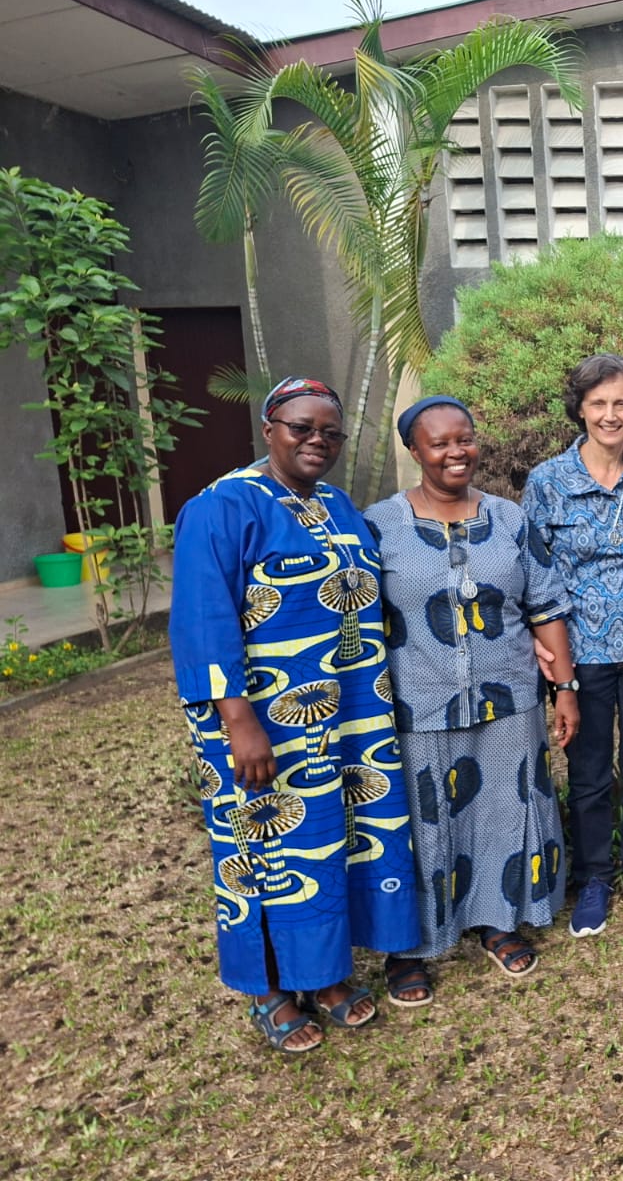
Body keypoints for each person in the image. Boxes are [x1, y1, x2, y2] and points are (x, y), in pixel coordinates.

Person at [170, 376, 419, 1053]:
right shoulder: (222, 506)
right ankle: (270, 989)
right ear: (269, 429)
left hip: (347, 711)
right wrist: (238, 721)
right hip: (261, 721)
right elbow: (203, 620)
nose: (317, 441)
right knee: (266, 847)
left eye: (330, 433)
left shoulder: (336, 505)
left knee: (331, 841)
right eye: (302, 428)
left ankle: (327, 975)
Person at [365, 396, 579, 1004]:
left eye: (465, 439)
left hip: (508, 697)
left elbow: (545, 605)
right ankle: (411, 948)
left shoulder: (509, 520)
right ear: (415, 450)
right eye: (440, 443)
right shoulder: (378, 526)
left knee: (505, 812)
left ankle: (497, 921)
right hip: (420, 701)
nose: (456, 452)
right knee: (424, 821)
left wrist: (565, 688)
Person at [522, 354, 623, 938]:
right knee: (587, 771)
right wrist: (541, 642)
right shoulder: (548, 482)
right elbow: (532, 569)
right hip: (579, 652)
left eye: (621, 403)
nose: (610, 415)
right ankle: (593, 878)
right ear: (580, 409)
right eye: (599, 404)